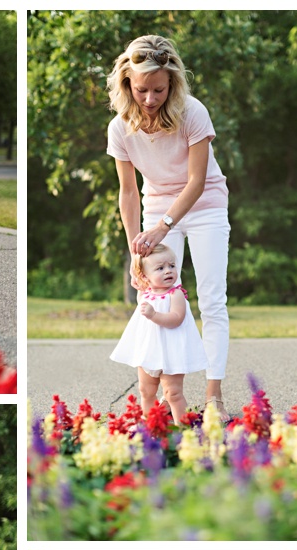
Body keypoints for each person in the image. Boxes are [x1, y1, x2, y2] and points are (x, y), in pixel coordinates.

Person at [107, 34, 231, 422]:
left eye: (158, 89)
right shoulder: (119, 128)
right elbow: (128, 193)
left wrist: (162, 227)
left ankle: (213, 395)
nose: (149, 98)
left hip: (206, 204)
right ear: (127, 83)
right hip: (157, 205)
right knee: (157, 298)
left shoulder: (193, 112)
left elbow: (196, 181)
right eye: (141, 89)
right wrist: (134, 249)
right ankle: (162, 398)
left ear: (172, 82)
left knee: (211, 301)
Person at [109, 244, 208, 422]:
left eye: (171, 266)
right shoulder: (144, 294)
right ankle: (152, 426)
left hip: (172, 352)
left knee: (173, 392)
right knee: (146, 391)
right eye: (160, 268)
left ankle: (182, 429)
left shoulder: (175, 295)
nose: (168, 271)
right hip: (149, 350)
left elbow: (176, 318)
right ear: (144, 276)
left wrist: (154, 315)